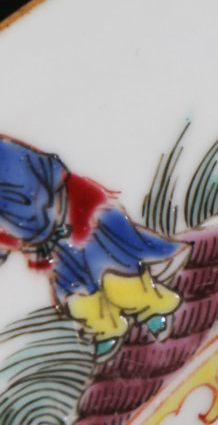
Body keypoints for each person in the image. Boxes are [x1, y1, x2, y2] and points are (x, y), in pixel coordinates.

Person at [0, 134, 184, 351]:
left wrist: (42, 223)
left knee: (113, 267)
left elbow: (45, 177)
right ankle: (104, 328)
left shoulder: (7, 156)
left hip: (76, 215)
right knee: (73, 288)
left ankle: (151, 309)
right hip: (45, 242)